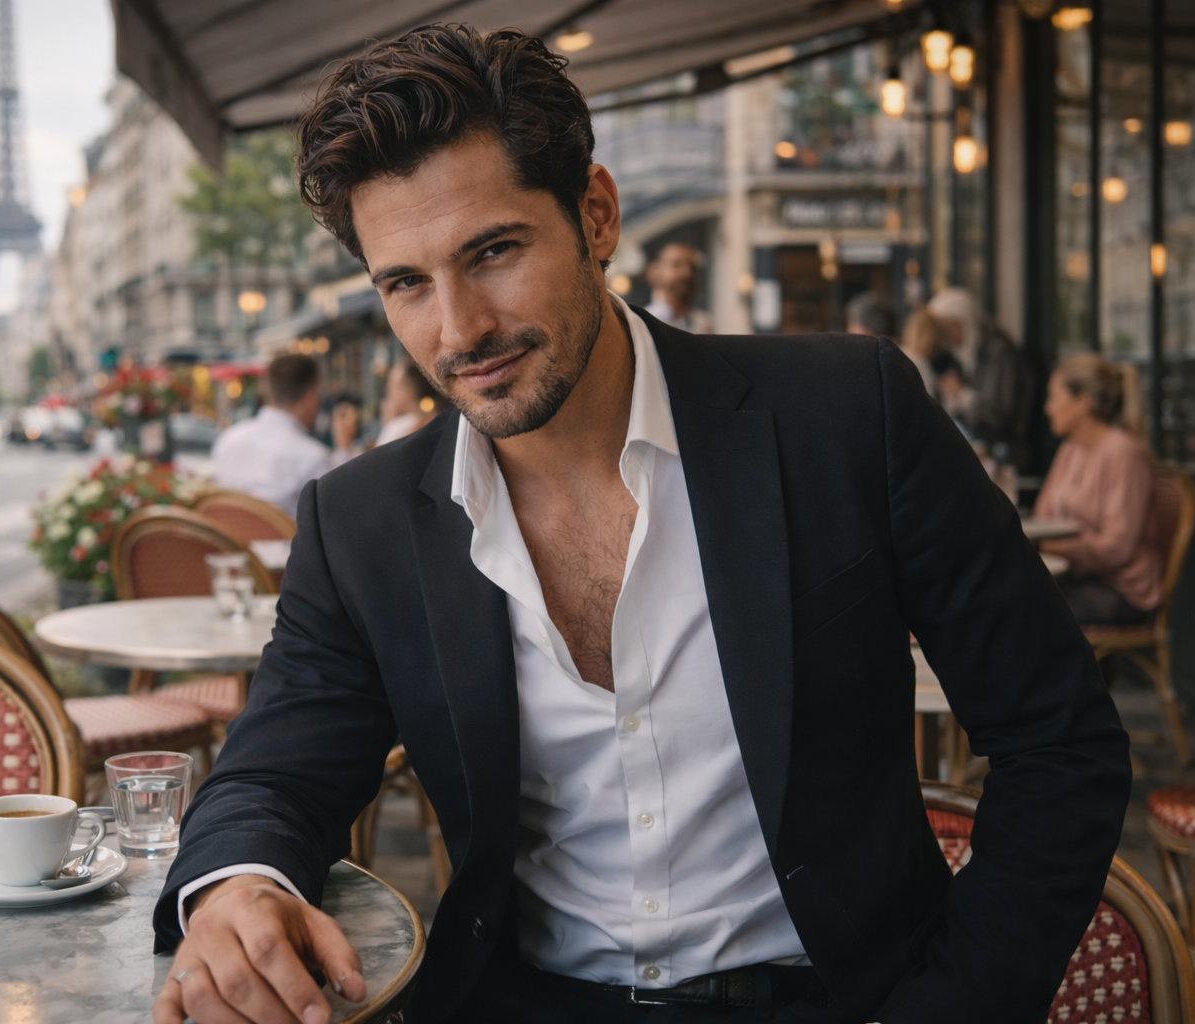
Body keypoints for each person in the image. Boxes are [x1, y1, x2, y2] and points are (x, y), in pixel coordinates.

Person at [154, 25, 1129, 1024]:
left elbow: (1061, 741)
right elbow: (271, 773)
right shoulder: (358, 521)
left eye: (492, 251)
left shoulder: (850, 414)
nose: (459, 330)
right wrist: (236, 886)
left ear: (597, 214)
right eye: (405, 282)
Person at [1034, 353, 1160, 625]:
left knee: (1020, 611)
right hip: (1074, 578)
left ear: (1082, 403)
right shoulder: (1070, 449)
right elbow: (1040, 517)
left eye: (1054, 398)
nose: (1048, 407)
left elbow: (1117, 548)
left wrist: (1057, 546)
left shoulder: (1123, 452)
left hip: (1117, 589)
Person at [209, 353, 330, 518]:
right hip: (286, 542)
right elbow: (335, 519)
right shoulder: (313, 457)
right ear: (310, 397)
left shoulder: (228, 439)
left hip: (229, 542)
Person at [927, 287, 1035, 470]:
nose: (945, 337)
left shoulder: (998, 352)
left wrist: (961, 395)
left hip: (1004, 454)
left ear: (963, 323)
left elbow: (999, 414)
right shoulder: (963, 355)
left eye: (947, 328)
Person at [373, 356, 445, 446]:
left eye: (392, 386)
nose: (388, 391)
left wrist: (389, 424)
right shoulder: (439, 417)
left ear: (408, 389)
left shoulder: (400, 427)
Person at [643, 242, 713, 333]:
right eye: (676, 265)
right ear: (655, 272)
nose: (687, 273)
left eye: (693, 267)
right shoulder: (643, 321)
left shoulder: (704, 324)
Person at [898, 307, 942, 396]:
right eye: (921, 332)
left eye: (930, 336)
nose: (925, 341)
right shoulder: (920, 362)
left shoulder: (895, 352)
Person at [327, 396, 363, 467]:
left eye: (343, 416)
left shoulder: (363, 456)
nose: (340, 423)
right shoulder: (326, 459)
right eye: (336, 418)